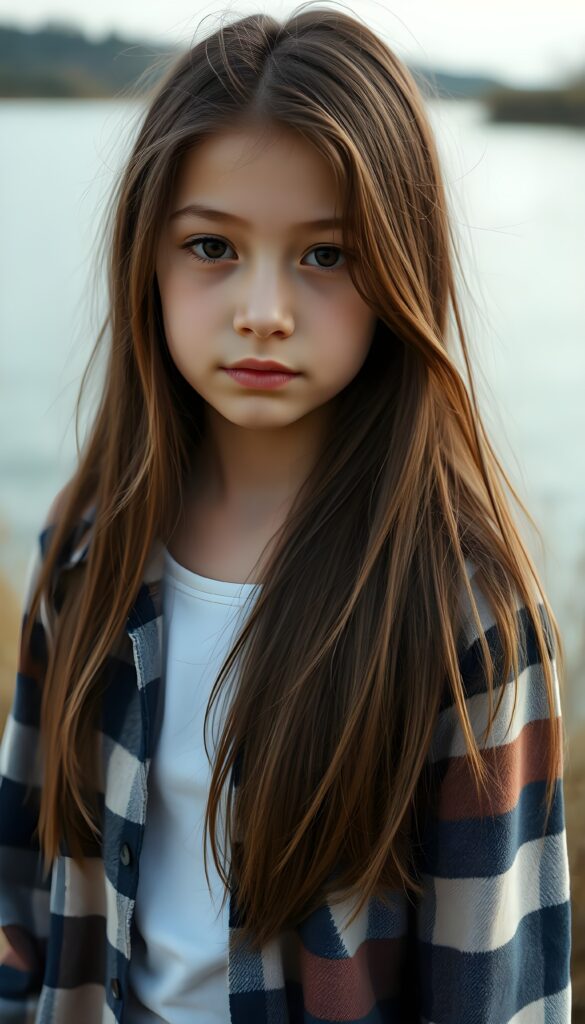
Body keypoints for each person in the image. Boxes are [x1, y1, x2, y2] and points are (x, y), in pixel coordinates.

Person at [0, 4, 572, 1023]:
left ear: (400, 271)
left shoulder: (461, 611)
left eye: (325, 257)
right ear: (146, 260)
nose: (263, 311)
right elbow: (20, 886)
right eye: (212, 245)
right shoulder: (90, 544)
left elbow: (497, 988)